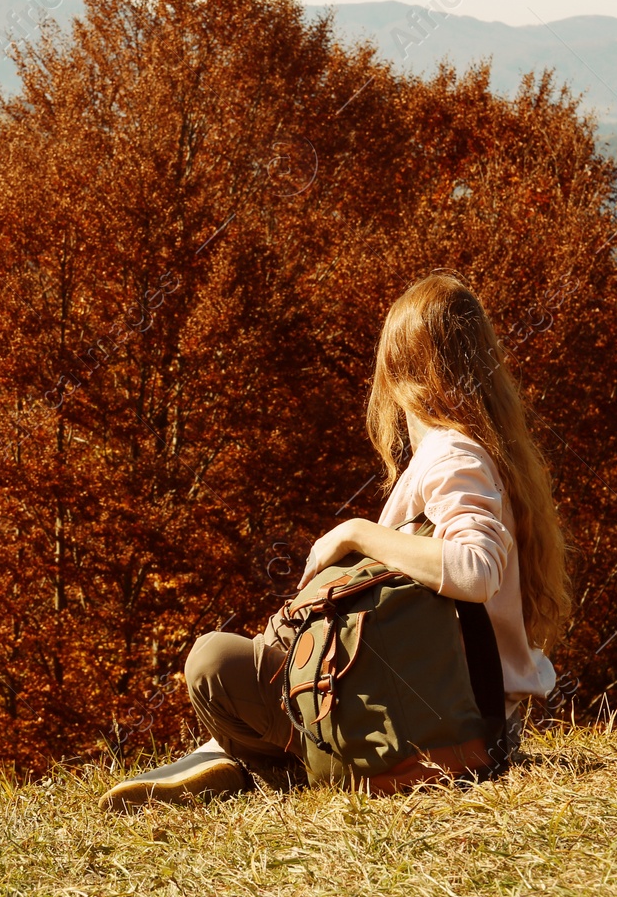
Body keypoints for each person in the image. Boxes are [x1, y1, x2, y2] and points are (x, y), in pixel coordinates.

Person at [100, 271, 572, 809]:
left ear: (399, 370)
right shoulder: (482, 453)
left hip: (441, 729)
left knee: (210, 662)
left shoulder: (453, 454)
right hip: (463, 721)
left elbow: (474, 569)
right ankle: (231, 753)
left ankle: (251, 761)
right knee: (271, 651)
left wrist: (357, 533)